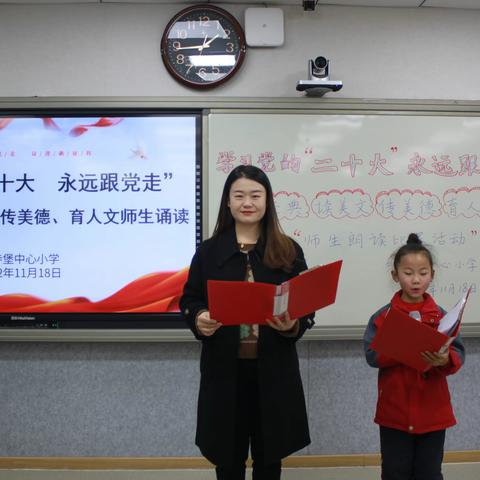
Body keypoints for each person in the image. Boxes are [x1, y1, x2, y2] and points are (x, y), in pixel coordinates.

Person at [180, 165, 315, 480]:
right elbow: (190, 299)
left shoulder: (288, 250)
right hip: (225, 372)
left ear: (267, 200)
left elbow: (306, 306)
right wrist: (199, 318)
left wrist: (293, 324)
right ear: (228, 202)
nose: (247, 202)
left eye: (255, 195)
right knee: (228, 460)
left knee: (269, 462)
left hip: (274, 372)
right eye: (239, 195)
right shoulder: (208, 252)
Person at [363, 233, 465, 480]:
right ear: (395, 276)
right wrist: (401, 349)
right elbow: (372, 355)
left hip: (433, 413)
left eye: (423, 273)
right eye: (408, 273)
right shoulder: (383, 316)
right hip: (394, 413)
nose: (416, 280)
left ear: (432, 275)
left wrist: (444, 360)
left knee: (429, 472)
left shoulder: (442, 316)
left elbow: (457, 353)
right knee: (395, 472)